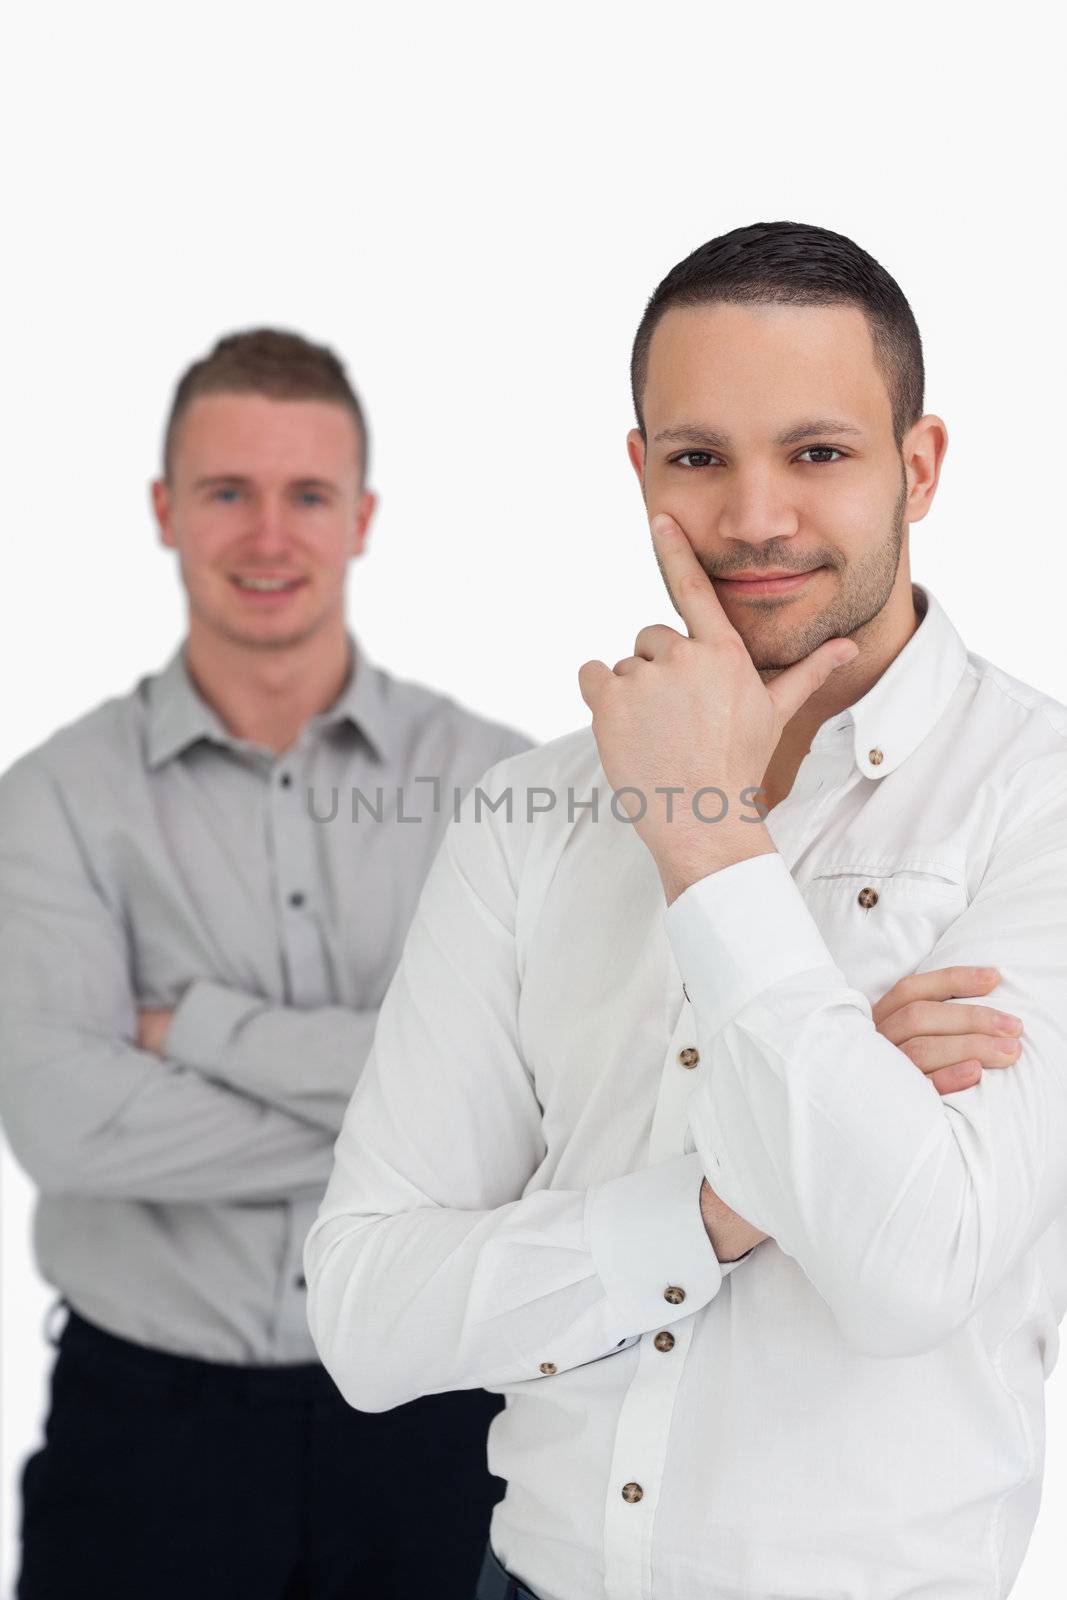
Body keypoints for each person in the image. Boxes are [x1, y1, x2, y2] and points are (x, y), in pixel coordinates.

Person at [303, 222, 1067, 1600]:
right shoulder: (528, 810)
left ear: (919, 465)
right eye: (697, 457)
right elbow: (366, 1314)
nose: (753, 518)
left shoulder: (1037, 801)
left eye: (815, 453)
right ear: (639, 469)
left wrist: (705, 844)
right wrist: (724, 1207)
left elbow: (909, 1271)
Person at [0, 327, 533, 1599]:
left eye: (307, 495)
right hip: (146, 1434)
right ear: (163, 510)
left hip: (439, 1420)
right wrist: (428, 1117)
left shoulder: (497, 785)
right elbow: (67, 1127)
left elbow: (543, 1105)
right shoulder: (54, 800)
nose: (267, 536)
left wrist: (191, 1029)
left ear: (362, 519)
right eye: (227, 491)